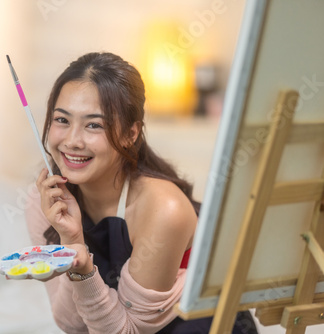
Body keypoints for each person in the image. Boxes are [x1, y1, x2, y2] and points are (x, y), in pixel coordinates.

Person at [25, 52, 258, 333]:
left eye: (93, 125)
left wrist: (79, 260)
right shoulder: (45, 203)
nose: (72, 141)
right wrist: (70, 244)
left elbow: (128, 331)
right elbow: (72, 325)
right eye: (62, 120)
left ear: (130, 134)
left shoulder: (164, 208)